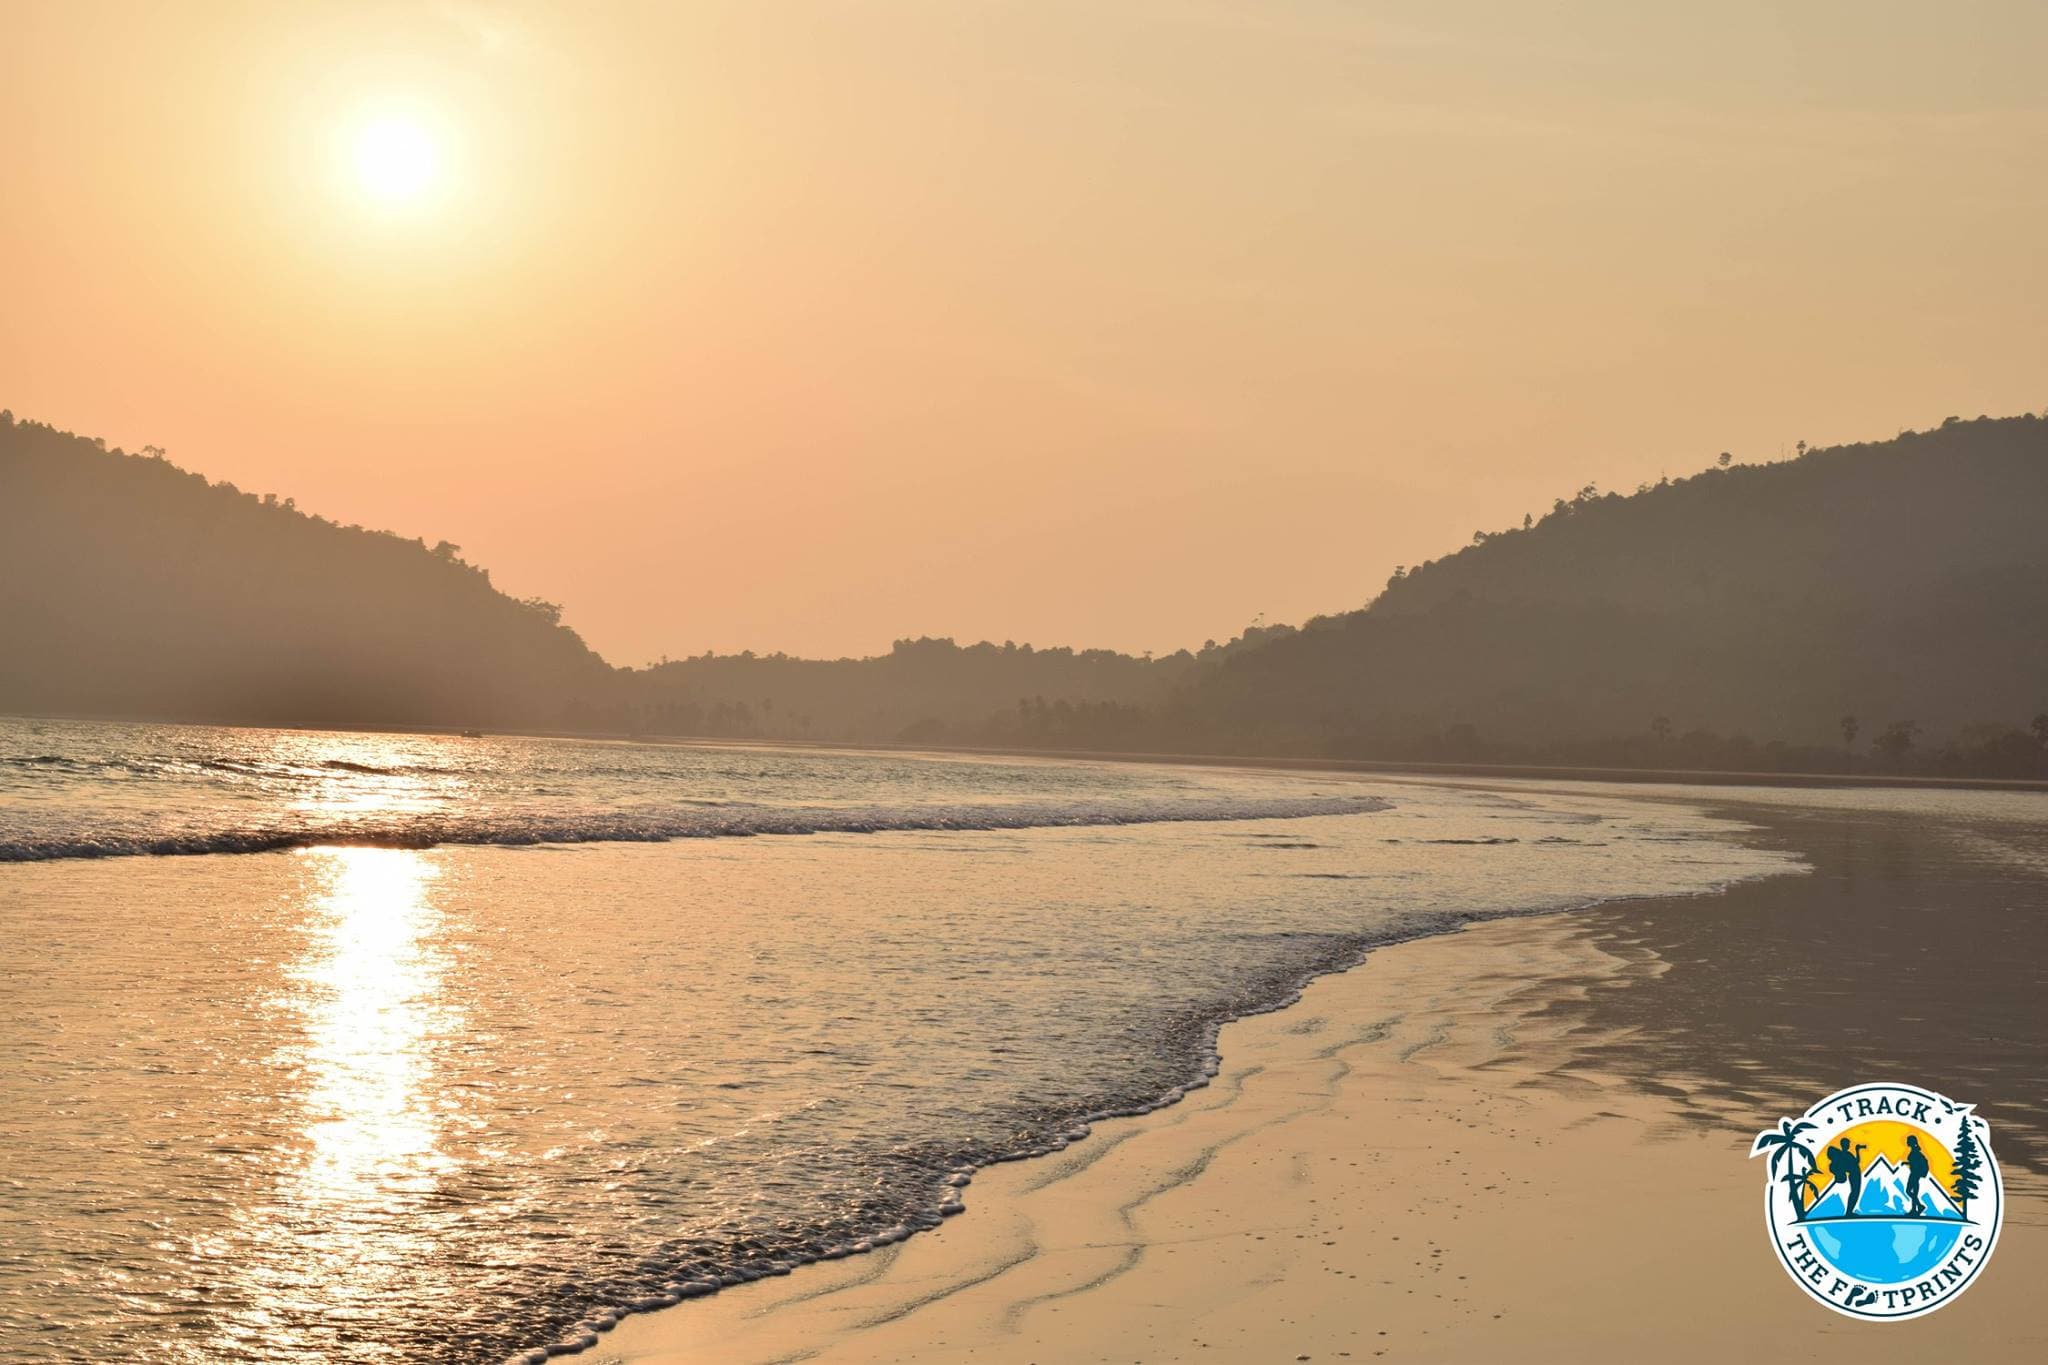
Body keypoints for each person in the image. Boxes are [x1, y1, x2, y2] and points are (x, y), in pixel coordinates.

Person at [1825, 1137, 1863, 1216]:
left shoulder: (1844, 1154)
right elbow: (1856, 1162)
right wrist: (1857, 1150)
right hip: (1854, 1174)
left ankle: (1849, 1211)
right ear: (1844, 1145)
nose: (1849, 1145)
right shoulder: (1845, 1154)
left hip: (1854, 1174)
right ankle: (1849, 1212)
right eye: (1847, 1144)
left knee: (1854, 1193)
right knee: (1855, 1193)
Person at [1904, 1134, 1930, 1216]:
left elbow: (1916, 1163)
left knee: (1909, 1191)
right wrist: (1907, 1163)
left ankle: (1917, 1207)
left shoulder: (1915, 1151)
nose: (1906, 1142)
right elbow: (1914, 1162)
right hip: (1915, 1174)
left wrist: (1909, 1163)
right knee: (1913, 1192)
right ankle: (1916, 1208)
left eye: (1908, 1141)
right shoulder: (1914, 1151)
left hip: (1915, 1174)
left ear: (1911, 1142)